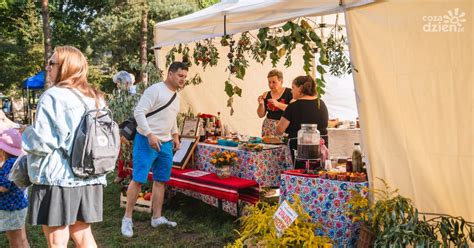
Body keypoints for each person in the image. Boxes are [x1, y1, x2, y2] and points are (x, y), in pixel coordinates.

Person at [22, 46, 106, 247]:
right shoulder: (96, 97)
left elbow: (42, 142)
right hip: (90, 175)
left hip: (58, 177)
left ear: (66, 67)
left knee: (57, 240)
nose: (47, 67)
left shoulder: (53, 96)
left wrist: (25, 132)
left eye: (52, 63)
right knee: (84, 235)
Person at [121, 62, 188, 238]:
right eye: (180, 76)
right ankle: (127, 218)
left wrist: (175, 135)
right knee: (138, 179)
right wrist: (150, 134)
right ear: (171, 74)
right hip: (146, 140)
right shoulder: (154, 90)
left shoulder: (176, 96)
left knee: (160, 180)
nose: (183, 80)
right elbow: (139, 112)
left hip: (165, 144)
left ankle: (156, 217)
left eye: (185, 77)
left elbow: (171, 117)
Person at [276, 75, 329, 168]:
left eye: (293, 88)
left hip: (299, 153)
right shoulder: (321, 103)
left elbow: (279, 130)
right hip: (320, 151)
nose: (291, 91)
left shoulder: (293, 106)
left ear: (300, 88)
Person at [0, 128, 29, 248]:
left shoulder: (8, 164)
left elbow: (3, 187)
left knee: (15, 239)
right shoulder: (18, 160)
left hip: (11, 209)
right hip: (19, 205)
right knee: (20, 238)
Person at [257, 69, 292, 137]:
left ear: (281, 81)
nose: (271, 85)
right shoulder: (266, 94)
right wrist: (261, 104)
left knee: (283, 146)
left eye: (274, 82)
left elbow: (293, 110)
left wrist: (278, 104)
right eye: (269, 82)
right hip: (268, 127)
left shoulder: (289, 93)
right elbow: (260, 115)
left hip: (283, 127)